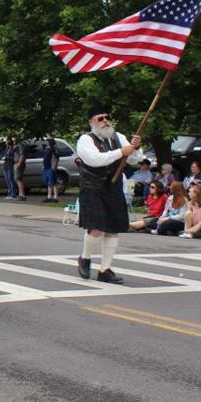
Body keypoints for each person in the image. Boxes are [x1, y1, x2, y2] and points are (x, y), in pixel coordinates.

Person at [75, 105, 144, 284]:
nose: (105, 121)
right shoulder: (85, 139)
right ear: (91, 122)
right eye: (100, 118)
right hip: (93, 188)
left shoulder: (118, 137)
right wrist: (122, 152)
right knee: (96, 229)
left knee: (113, 229)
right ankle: (85, 258)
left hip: (114, 188)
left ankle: (105, 270)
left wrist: (135, 148)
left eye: (106, 117)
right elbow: (94, 160)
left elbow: (134, 159)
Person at [42, 137, 61, 201]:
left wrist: (54, 167)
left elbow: (56, 159)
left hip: (51, 168)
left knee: (53, 182)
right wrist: (43, 166)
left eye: (48, 141)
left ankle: (55, 197)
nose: (46, 142)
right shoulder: (46, 149)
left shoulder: (54, 149)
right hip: (46, 167)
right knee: (48, 183)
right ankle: (49, 196)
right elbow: (44, 158)